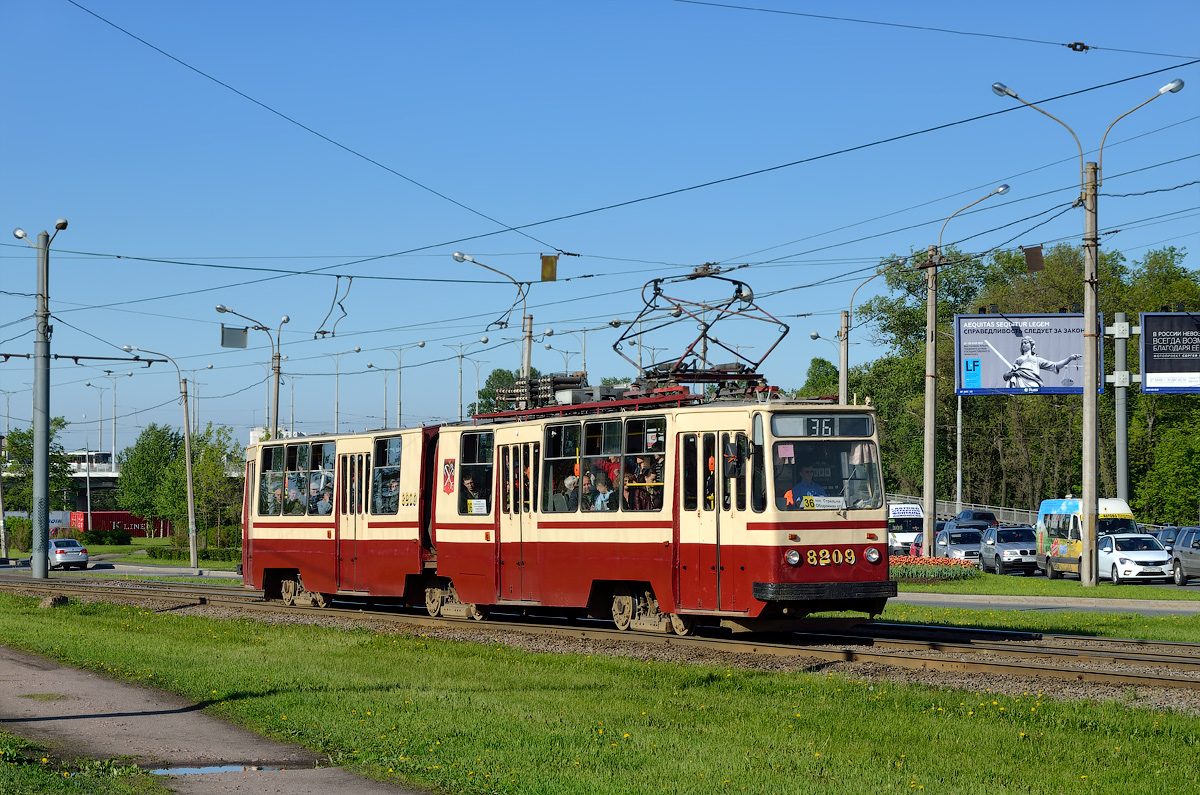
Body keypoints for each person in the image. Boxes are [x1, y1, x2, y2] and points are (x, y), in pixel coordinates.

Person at [1002, 338, 1082, 390]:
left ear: (1031, 345)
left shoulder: (1037, 360)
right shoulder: (1018, 360)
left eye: (1026, 342)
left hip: (1033, 381)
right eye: (1022, 343)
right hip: (1020, 381)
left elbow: (1055, 365)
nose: (1023, 344)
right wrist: (1010, 374)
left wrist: (1070, 358)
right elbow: (1008, 375)